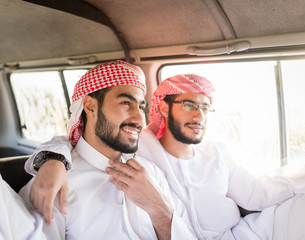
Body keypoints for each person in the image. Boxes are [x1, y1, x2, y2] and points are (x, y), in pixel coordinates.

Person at [25, 73, 305, 239]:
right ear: (165, 108)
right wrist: (53, 160)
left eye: (206, 108)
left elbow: (259, 192)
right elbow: (82, 140)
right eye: (189, 105)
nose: (199, 116)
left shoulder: (215, 153)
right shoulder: (142, 146)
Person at [11, 60, 196, 240]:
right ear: (90, 107)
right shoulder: (53, 185)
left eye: (141, 107)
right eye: (126, 103)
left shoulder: (151, 172)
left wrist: (160, 209)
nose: (140, 120)